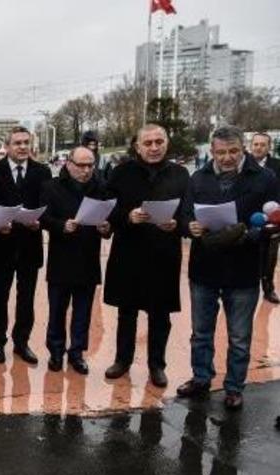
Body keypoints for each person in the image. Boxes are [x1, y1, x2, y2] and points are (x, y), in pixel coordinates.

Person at [177, 126, 280, 410]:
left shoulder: (265, 178)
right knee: (201, 332)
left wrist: (251, 234)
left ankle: (234, 387)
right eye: (220, 152)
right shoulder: (198, 177)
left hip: (243, 268)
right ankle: (201, 379)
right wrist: (190, 227)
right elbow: (185, 214)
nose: (227, 158)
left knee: (239, 336)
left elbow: (274, 220)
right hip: (204, 267)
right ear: (211, 151)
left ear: (243, 148)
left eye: (233, 151)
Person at [103, 124, 189, 388]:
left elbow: (189, 213)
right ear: (137, 146)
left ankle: (156, 365)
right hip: (129, 250)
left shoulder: (180, 174)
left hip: (164, 252)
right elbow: (107, 209)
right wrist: (127, 215)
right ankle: (122, 360)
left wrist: (178, 225)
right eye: (148, 143)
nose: (153, 147)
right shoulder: (121, 173)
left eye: (158, 142)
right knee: (126, 312)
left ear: (167, 143)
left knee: (160, 314)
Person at [39, 146, 111, 374]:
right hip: (61, 258)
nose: (87, 170)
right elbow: (43, 217)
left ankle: (77, 353)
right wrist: (61, 225)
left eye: (91, 165)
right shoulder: (51, 187)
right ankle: (56, 352)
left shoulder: (101, 188)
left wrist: (106, 227)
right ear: (68, 164)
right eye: (81, 165)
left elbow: (110, 218)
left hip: (88, 258)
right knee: (57, 310)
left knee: (83, 311)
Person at [0, 126, 52, 365]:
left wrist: (40, 222)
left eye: (26, 142)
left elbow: (47, 205)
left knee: (26, 298)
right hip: (1, 243)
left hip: (30, 243)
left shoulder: (42, 171)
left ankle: (22, 342)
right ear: (8, 146)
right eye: (18, 143)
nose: (23, 147)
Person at [250, 133, 280, 303]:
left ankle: (268, 289)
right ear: (250, 145)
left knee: (270, 255)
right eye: (256, 144)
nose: (258, 147)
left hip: (273, 219)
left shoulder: (277, 166)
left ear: (269, 147)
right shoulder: (242, 164)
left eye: (262, 144)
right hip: (250, 218)